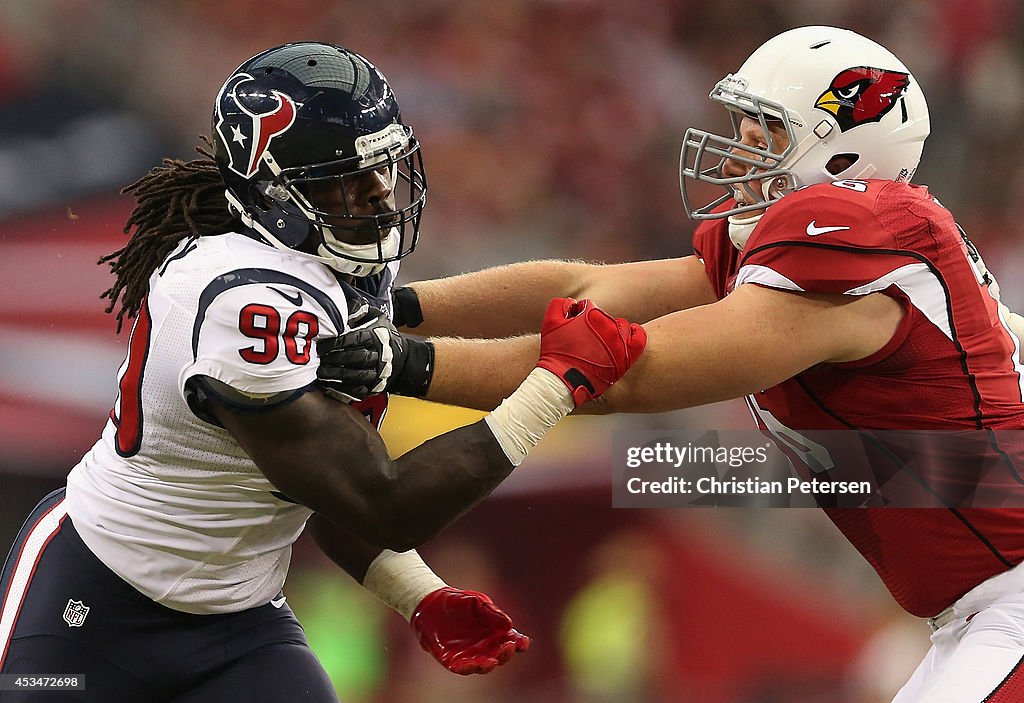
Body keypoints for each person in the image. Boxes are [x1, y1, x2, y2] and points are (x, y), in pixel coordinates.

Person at [318, 26, 1024, 702]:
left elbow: (626, 370)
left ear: (845, 156)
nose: (740, 154)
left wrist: (403, 365)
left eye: (766, 136)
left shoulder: (861, 249)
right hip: (973, 609)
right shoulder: (822, 249)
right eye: (744, 130)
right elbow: (582, 289)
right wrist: (394, 305)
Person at [0, 41, 646, 703]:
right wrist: (553, 385)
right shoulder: (239, 300)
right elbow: (382, 499)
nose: (379, 193)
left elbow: (322, 485)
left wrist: (419, 594)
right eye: (348, 176)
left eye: (383, 167)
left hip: (238, 621)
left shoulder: (340, 270)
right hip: (93, 602)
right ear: (276, 192)